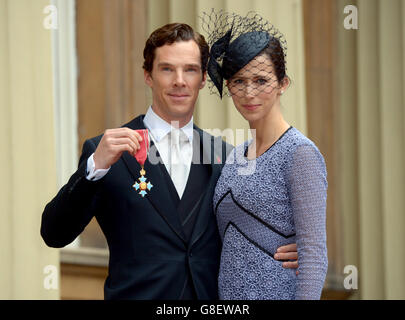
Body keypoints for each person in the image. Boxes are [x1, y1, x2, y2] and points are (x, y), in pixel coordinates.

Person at [41, 22, 298, 300]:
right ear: (148, 76)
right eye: (167, 69)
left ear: (202, 79)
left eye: (190, 69)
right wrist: (95, 167)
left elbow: (245, 231)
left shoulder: (227, 158)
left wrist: (289, 246)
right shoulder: (106, 151)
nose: (179, 81)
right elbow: (54, 233)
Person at [202, 11, 328, 299]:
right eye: (238, 81)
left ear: (283, 83)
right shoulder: (234, 158)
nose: (249, 92)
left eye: (261, 80)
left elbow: (314, 257)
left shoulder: (300, 154)